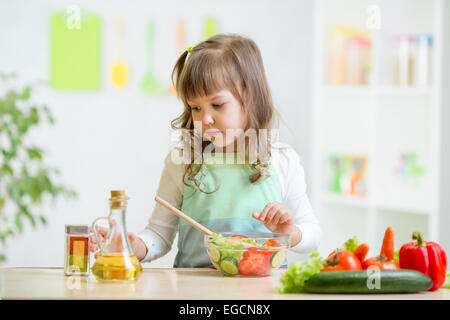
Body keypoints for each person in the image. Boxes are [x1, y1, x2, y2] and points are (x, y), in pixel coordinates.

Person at [90, 34, 322, 268]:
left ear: (251, 97)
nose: (206, 119)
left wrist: (289, 233)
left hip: (262, 293)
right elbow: (159, 235)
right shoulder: (181, 162)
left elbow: (312, 235)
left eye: (217, 105)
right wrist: (132, 248)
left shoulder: (283, 160)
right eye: (195, 108)